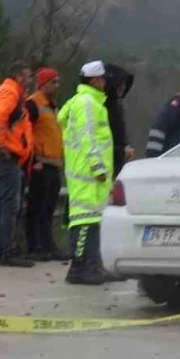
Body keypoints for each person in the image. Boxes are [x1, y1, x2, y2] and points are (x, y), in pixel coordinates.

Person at [59, 61, 115, 285]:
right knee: (84, 220)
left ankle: (94, 265)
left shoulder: (87, 102)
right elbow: (87, 135)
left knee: (93, 220)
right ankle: (79, 268)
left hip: (90, 175)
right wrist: (98, 167)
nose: (105, 83)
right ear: (94, 80)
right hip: (87, 174)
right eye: (102, 79)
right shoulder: (86, 102)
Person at [0, 61, 35, 267]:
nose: (30, 81)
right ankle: (7, 252)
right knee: (10, 206)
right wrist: (2, 146)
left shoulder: (2, 91)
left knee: (2, 205)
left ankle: (2, 251)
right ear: (19, 77)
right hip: (4, 157)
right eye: (28, 76)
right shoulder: (11, 93)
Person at [23, 67, 67, 261]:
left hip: (54, 164)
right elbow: (25, 133)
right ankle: (35, 247)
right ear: (43, 84)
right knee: (36, 207)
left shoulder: (52, 105)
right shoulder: (33, 104)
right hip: (40, 164)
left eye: (58, 81)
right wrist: (32, 161)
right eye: (53, 82)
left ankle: (48, 245)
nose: (57, 85)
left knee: (49, 208)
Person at [103, 63, 135, 180]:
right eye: (119, 84)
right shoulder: (102, 107)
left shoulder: (117, 106)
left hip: (117, 163)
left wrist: (125, 149)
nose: (123, 87)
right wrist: (121, 151)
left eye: (125, 84)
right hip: (104, 166)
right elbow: (98, 140)